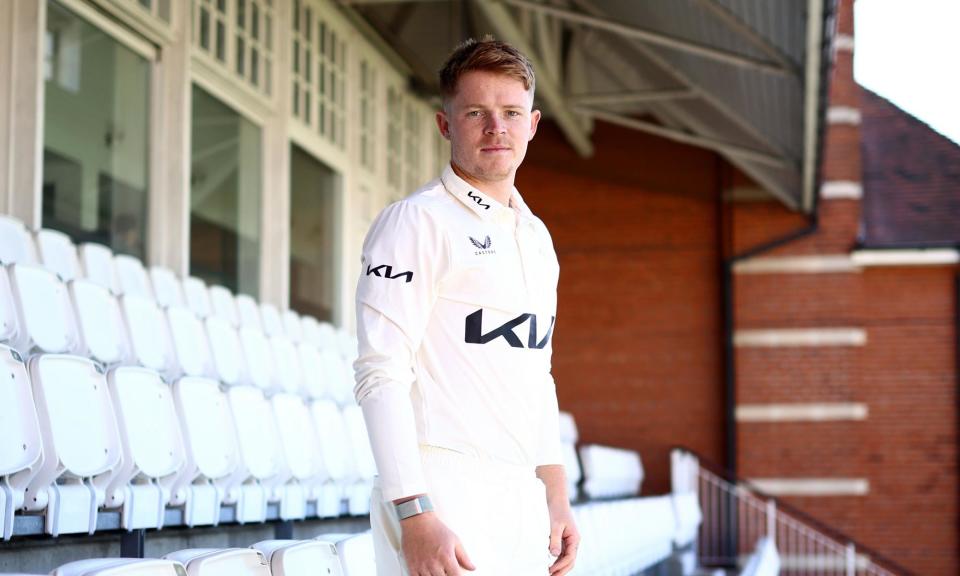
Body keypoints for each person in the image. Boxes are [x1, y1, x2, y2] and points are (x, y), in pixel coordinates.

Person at [354, 37, 579, 576]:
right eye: (476, 112)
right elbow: (378, 372)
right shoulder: (415, 221)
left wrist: (556, 492)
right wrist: (413, 511)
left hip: (520, 496)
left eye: (510, 113)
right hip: (442, 492)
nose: (496, 127)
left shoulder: (536, 237)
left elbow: (537, 372)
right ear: (445, 124)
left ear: (533, 124)